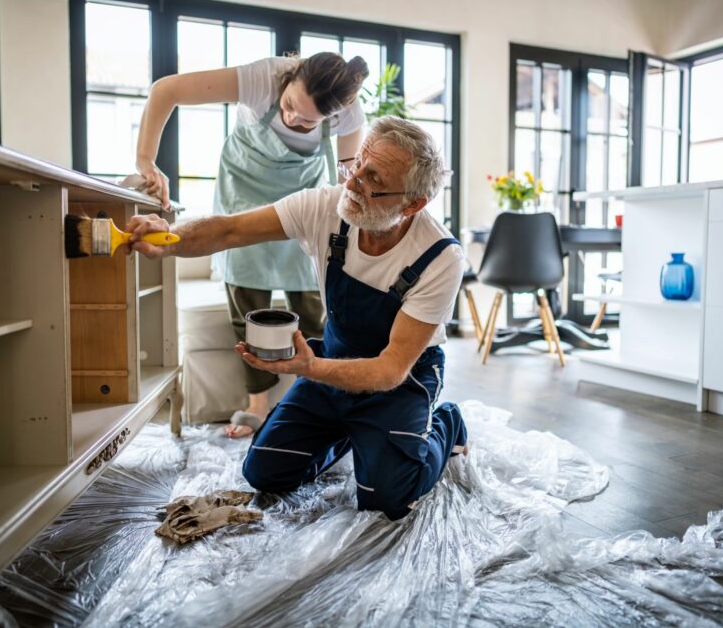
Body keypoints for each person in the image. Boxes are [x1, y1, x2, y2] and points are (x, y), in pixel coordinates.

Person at [125, 116, 468, 520]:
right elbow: (231, 231)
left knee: (388, 499)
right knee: (265, 473)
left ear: (412, 204)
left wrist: (310, 367)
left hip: (401, 380)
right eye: (355, 164)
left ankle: (448, 423)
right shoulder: (327, 207)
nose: (353, 181)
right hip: (334, 359)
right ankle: (350, 431)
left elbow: (391, 369)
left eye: (372, 178)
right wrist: (169, 239)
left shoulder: (440, 257)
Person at [134, 52, 369, 438]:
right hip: (244, 192)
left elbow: (346, 180)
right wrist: (147, 160)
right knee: (248, 305)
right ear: (289, 79)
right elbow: (167, 90)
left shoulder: (349, 113)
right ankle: (257, 403)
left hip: (302, 200)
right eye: (291, 106)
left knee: (313, 309)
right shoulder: (262, 79)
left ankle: (320, 402)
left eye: (309, 121)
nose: (294, 119)